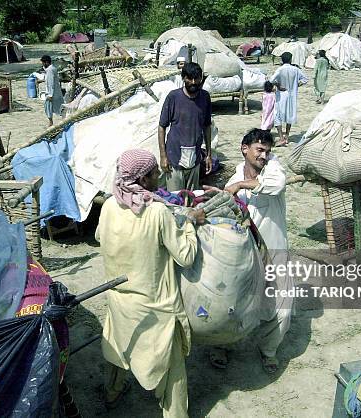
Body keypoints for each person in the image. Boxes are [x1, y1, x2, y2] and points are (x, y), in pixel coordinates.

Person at [97, 149, 206, 417]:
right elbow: (186, 256)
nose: (160, 175)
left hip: (119, 299)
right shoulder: (156, 211)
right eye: (155, 172)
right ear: (144, 179)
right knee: (173, 367)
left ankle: (112, 392)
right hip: (154, 307)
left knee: (119, 347)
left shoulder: (110, 205)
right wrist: (190, 222)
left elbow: (101, 235)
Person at [206, 128, 292, 374]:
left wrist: (241, 185)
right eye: (259, 150)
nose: (264, 155)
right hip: (246, 251)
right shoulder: (234, 178)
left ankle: (269, 350)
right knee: (232, 302)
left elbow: (276, 185)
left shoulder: (273, 168)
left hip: (274, 249)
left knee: (282, 305)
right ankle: (223, 346)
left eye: (267, 150)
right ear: (245, 149)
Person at [159, 62, 213, 191]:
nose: (194, 82)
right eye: (190, 78)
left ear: (201, 78)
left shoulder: (205, 97)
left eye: (197, 78)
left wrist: (208, 155)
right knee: (175, 199)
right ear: (183, 78)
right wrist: (163, 156)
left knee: (191, 197)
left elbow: (207, 126)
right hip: (174, 157)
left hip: (194, 157)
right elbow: (162, 127)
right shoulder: (173, 97)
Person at [269, 51, 309, 147]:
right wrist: (296, 85)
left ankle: (281, 137)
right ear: (291, 59)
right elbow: (305, 79)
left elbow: (271, 80)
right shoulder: (295, 70)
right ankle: (287, 136)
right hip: (292, 95)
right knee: (289, 115)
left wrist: (278, 85)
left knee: (277, 115)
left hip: (281, 95)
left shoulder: (280, 69)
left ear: (282, 60)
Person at [40, 55, 64, 126]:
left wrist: (50, 95)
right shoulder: (52, 68)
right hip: (56, 92)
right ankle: (62, 119)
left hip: (52, 93)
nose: (42, 64)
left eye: (43, 63)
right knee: (60, 106)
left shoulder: (50, 70)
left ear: (46, 62)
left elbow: (51, 83)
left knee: (48, 107)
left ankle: (51, 122)